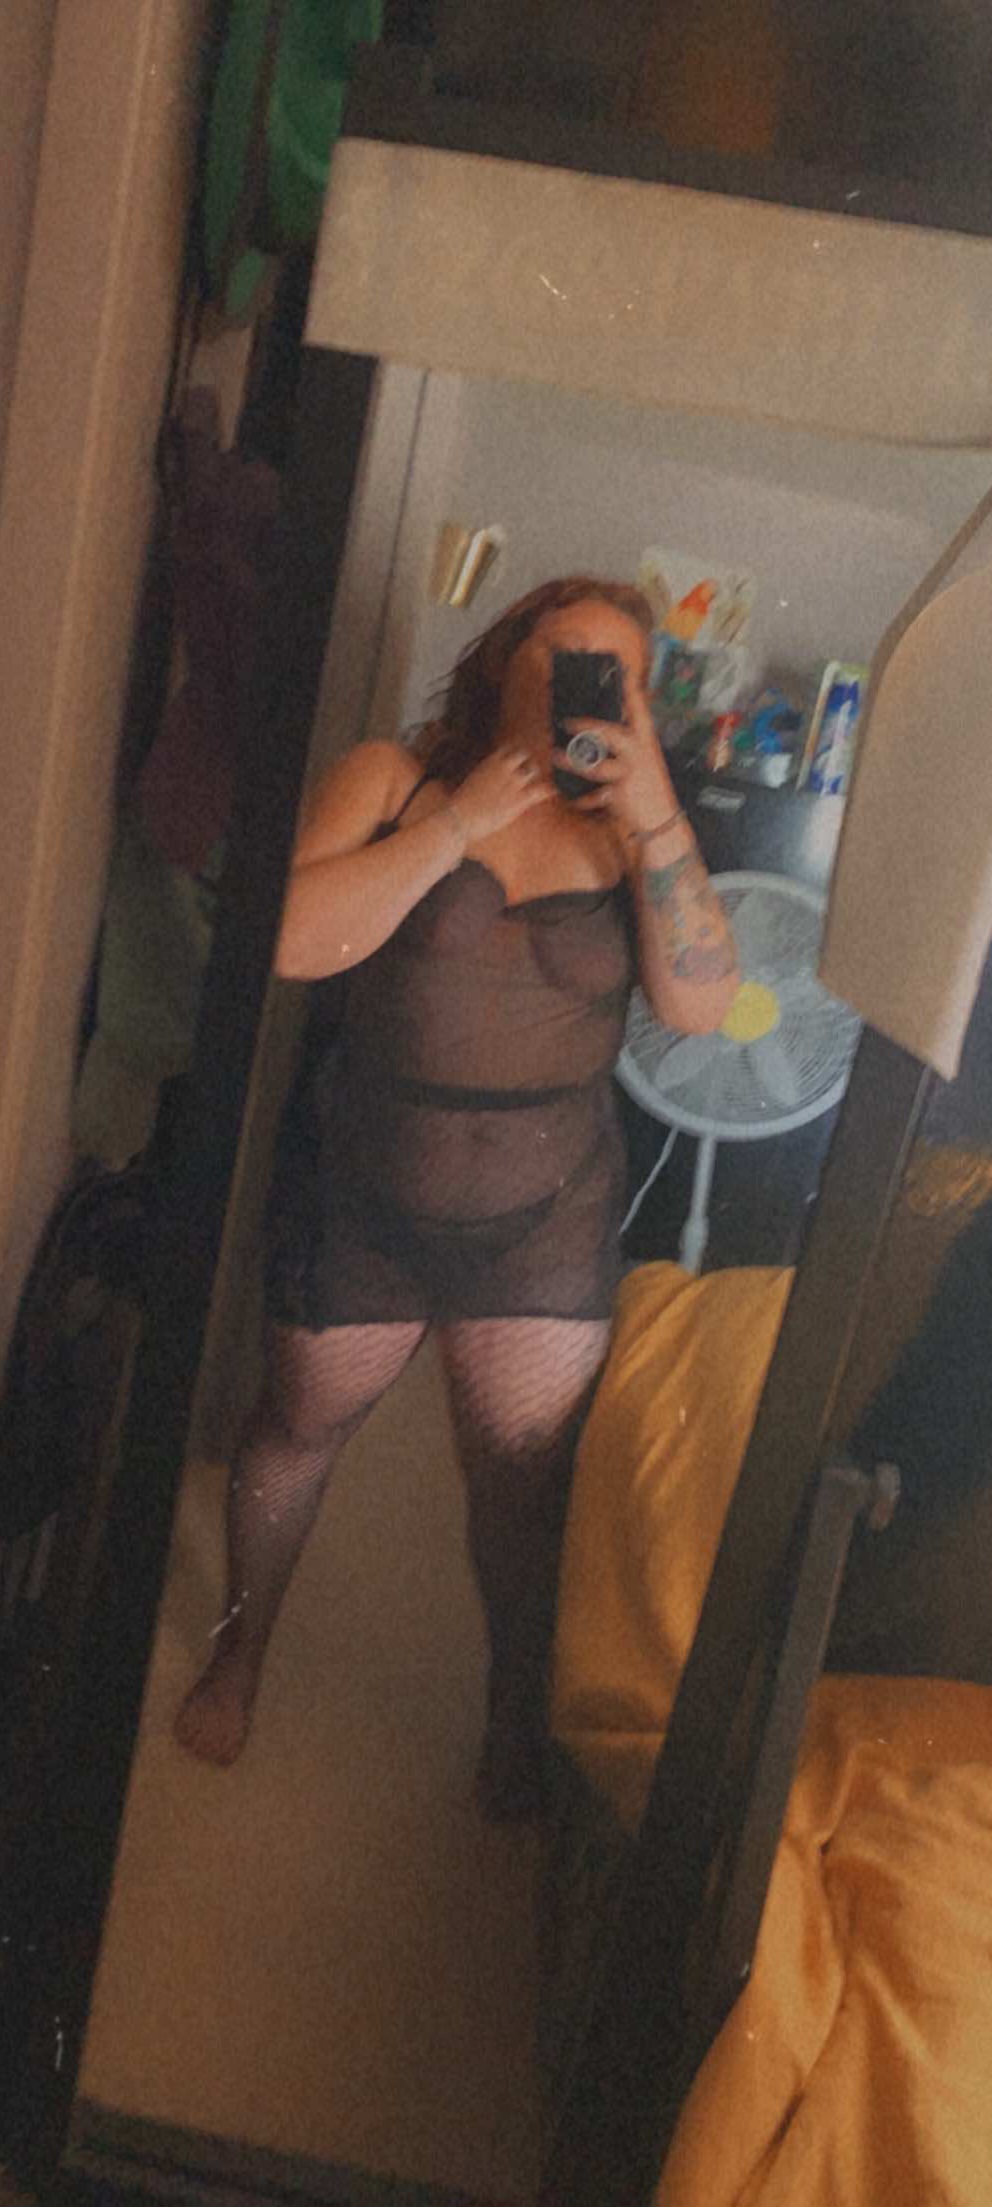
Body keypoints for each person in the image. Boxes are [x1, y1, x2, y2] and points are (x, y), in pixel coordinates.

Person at [175, 575, 739, 1814]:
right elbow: (287, 941)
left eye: (619, 673)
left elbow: (702, 1008)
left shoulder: (640, 832)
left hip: (545, 1226)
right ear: (503, 662)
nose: (589, 687)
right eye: (564, 656)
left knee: (521, 1492)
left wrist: (652, 807)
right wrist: (458, 822)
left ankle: (508, 1715)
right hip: (364, 1195)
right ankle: (238, 1651)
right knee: (294, 1431)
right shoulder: (393, 777)